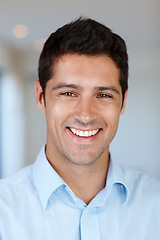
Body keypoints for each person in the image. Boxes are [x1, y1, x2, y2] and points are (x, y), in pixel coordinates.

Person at [0, 17, 160, 240]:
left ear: (122, 103)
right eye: (68, 93)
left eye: (103, 95)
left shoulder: (156, 204)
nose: (86, 115)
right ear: (40, 96)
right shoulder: (3, 211)